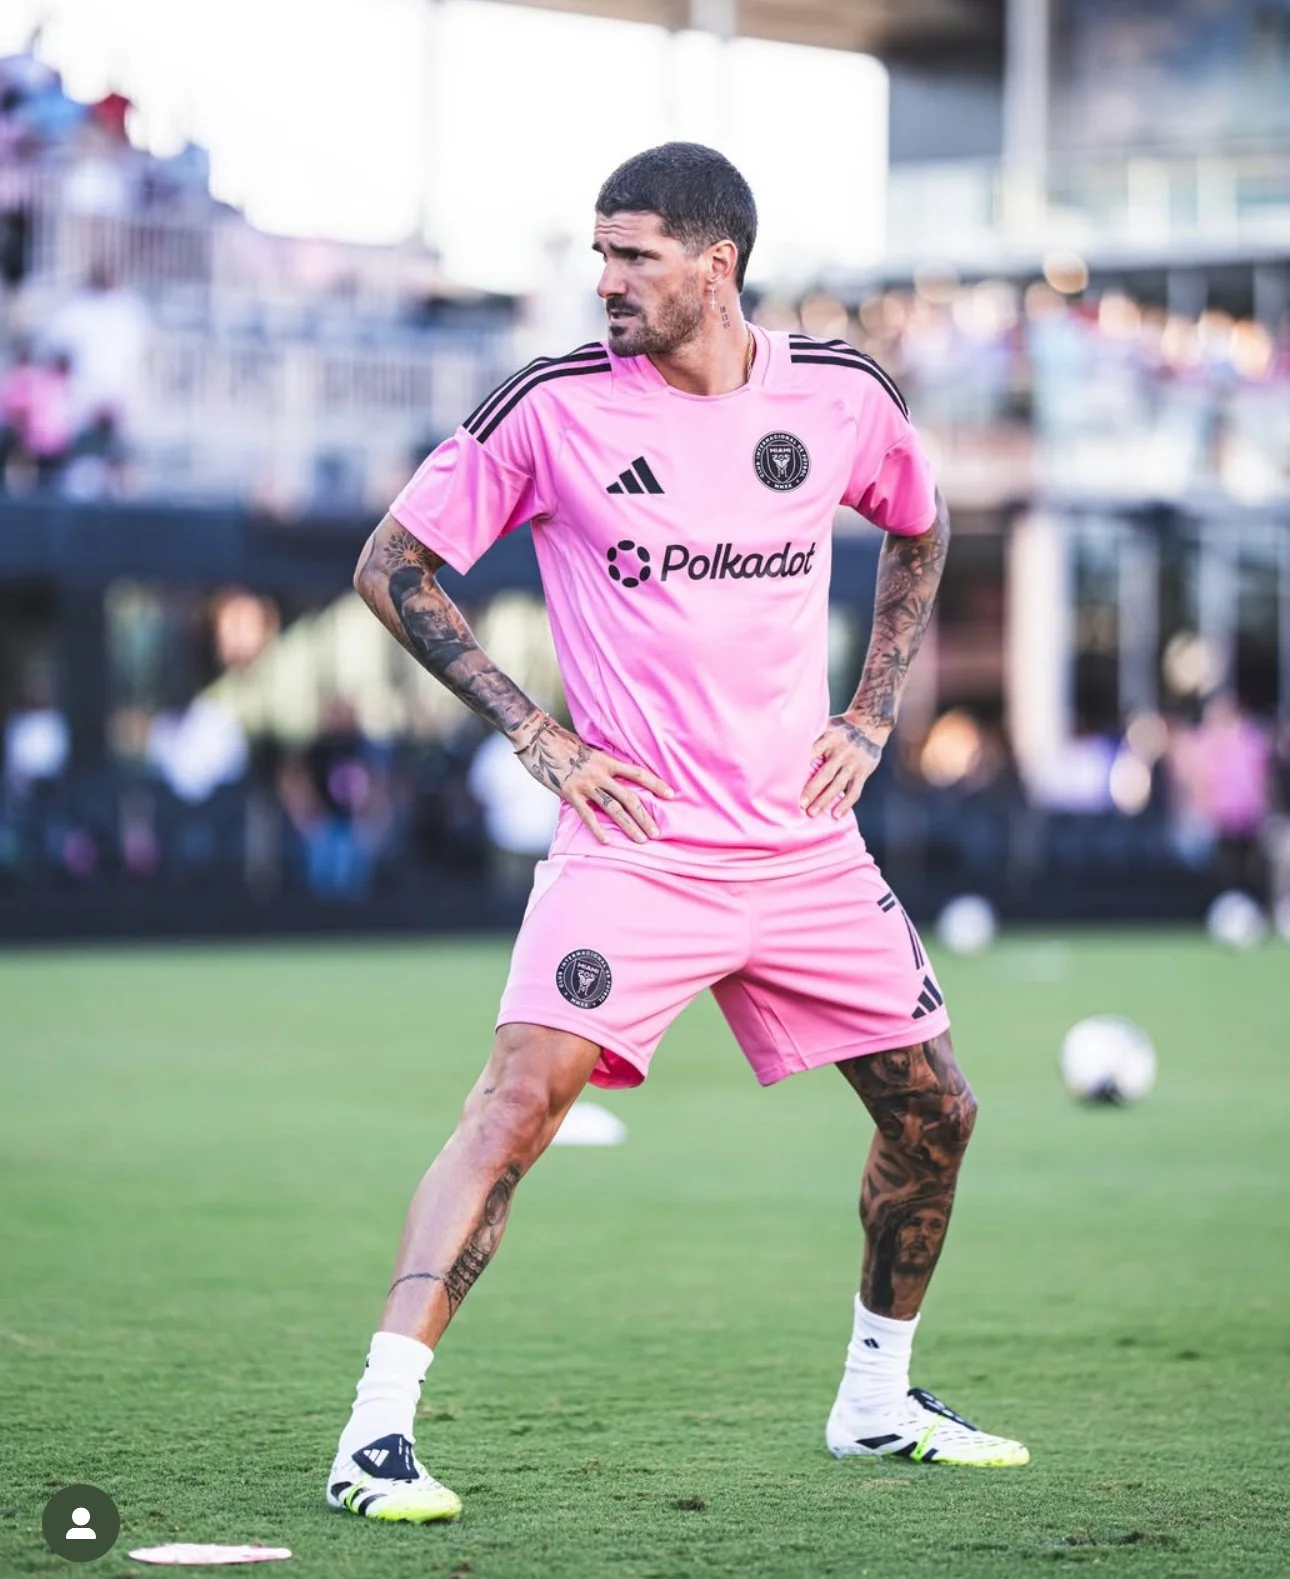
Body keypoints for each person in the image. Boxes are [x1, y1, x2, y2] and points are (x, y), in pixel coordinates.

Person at [330, 142, 1028, 1524]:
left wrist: (873, 711)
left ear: (718, 264)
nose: (605, 283)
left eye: (634, 256)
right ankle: (375, 1433)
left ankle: (876, 1401)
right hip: (635, 847)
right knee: (513, 1108)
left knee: (936, 1110)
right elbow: (389, 564)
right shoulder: (550, 410)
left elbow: (919, 526)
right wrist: (534, 732)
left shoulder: (839, 394)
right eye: (599, 255)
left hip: (801, 845)